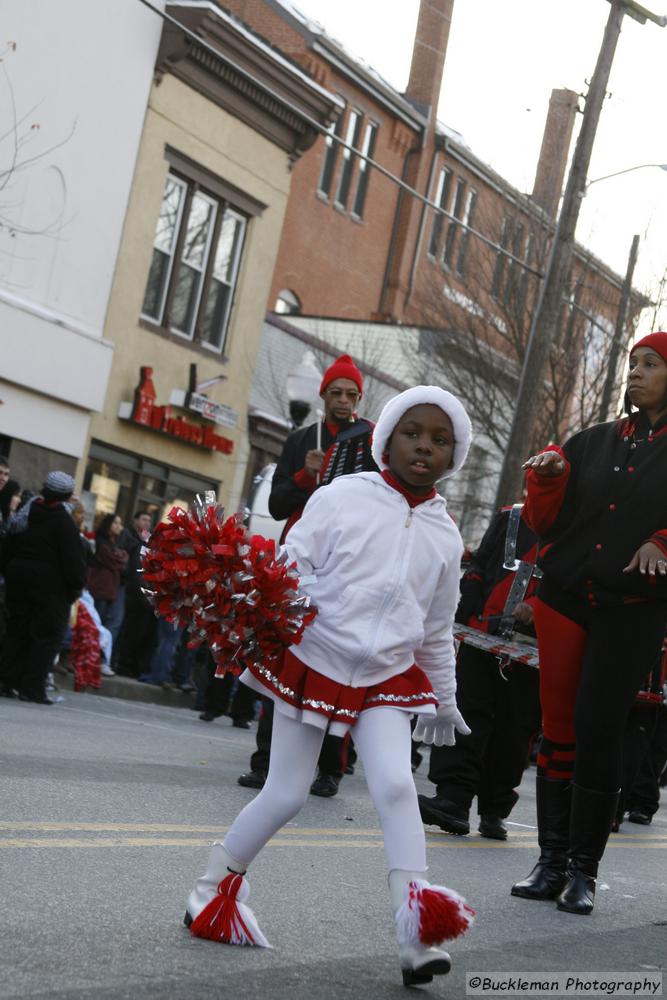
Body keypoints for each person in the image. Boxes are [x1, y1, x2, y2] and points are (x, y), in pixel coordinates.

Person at [183, 385, 475, 986]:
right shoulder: (342, 496)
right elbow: (292, 566)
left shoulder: (448, 537)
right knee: (286, 792)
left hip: (386, 677)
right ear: (386, 439)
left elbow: (438, 631)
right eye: (413, 433)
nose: (424, 446)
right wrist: (294, 616)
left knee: (396, 783)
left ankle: (417, 928)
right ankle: (211, 889)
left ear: (454, 456)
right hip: (314, 661)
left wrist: (444, 701)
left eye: (440, 439)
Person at [511, 331, 667, 915]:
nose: (637, 373)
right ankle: (549, 863)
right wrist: (548, 476)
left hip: (633, 610)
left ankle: (583, 871)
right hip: (566, 597)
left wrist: (661, 541)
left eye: (651, 364)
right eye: (633, 364)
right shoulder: (590, 441)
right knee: (558, 729)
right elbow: (544, 522)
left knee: (599, 728)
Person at [238, 354, 376, 798]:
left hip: (345, 565)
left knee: (336, 663)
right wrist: (304, 473)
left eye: (350, 394)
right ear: (324, 396)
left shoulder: (371, 440)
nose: (342, 400)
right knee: (277, 654)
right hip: (298, 563)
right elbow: (278, 503)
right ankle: (265, 763)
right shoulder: (301, 440)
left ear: (358, 399)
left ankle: (330, 767)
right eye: (335, 392)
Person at [419, 504, 542, 840]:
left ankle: (494, 808)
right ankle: (453, 800)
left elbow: (575, 582)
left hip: (531, 652)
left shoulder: (579, 527)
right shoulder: (511, 517)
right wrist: (464, 611)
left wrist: (539, 608)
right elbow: (480, 565)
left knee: (514, 731)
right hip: (480, 638)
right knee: (465, 714)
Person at [0, 471, 86, 703]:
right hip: (50, 589)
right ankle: (32, 688)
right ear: (67, 495)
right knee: (46, 637)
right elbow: (73, 562)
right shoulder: (63, 521)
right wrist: (76, 587)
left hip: (19, 581)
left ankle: (7, 681)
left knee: (17, 632)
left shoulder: (26, 511)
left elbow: (9, 545)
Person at [115, 510, 156, 677]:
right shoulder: (128, 535)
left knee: (138, 632)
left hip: (142, 588)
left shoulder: (147, 538)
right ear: (135, 520)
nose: (147, 523)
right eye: (144, 519)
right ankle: (121, 662)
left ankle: (130, 664)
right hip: (130, 587)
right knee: (126, 628)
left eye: (149, 520)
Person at [87, 513, 128, 661]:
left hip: (109, 590)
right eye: (115, 523)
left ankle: (94, 657)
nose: (119, 527)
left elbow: (122, 559)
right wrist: (121, 557)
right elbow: (115, 561)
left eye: (120, 523)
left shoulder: (114, 543)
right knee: (94, 623)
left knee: (102, 623)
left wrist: (121, 556)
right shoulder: (101, 542)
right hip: (99, 589)